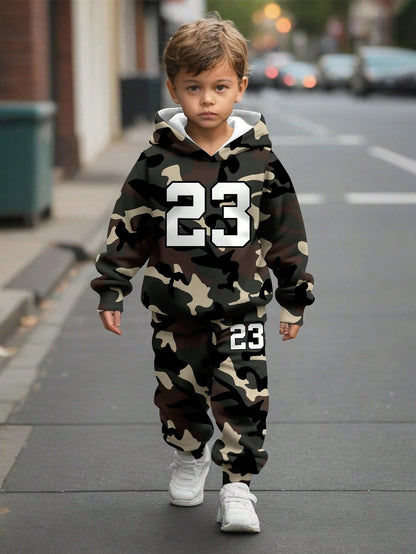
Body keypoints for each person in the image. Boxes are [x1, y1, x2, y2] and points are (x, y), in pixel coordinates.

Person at [91, 14, 314, 534]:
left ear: (241, 86)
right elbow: (129, 227)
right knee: (178, 393)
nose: (207, 100)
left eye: (219, 87)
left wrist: (294, 298)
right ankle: (189, 457)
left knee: (244, 396)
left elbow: (287, 234)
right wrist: (112, 289)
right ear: (173, 88)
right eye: (193, 88)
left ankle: (238, 488)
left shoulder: (263, 162)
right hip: (175, 307)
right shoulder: (155, 161)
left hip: (243, 308)